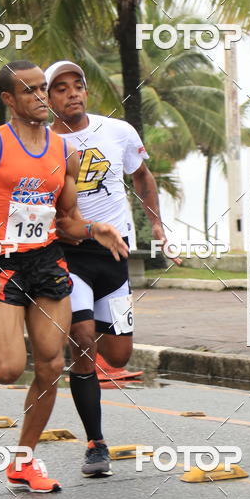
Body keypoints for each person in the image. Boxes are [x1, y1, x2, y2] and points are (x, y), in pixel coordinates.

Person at [0, 60, 128, 493]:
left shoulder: (65, 153)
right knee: (8, 371)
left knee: (51, 365)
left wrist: (94, 230)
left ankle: (23, 461)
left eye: (44, 89)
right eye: (31, 90)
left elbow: (67, 221)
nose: (42, 97)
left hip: (47, 262)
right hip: (1, 266)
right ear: (10, 99)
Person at [46, 60, 179, 477]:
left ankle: (66, 328)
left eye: (78, 85)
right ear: (46, 98)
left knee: (118, 355)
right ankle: (96, 443)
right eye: (61, 88)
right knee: (83, 342)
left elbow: (142, 177)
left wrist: (156, 224)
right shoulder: (42, 146)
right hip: (70, 254)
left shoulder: (118, 132)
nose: (73, 93)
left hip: (115, 256)